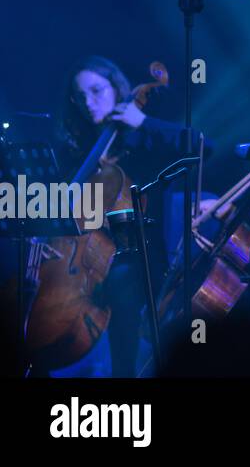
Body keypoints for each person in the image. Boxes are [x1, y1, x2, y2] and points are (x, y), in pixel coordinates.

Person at [54, 56, 194, 377]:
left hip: (140, 252)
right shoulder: (79, 146)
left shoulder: (141, 135)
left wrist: (142, 123)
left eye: (97, 91)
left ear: (117, 88)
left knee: (122, 281)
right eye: (80, 96)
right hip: (85, 255)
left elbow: (202, 144)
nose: (89, 103)